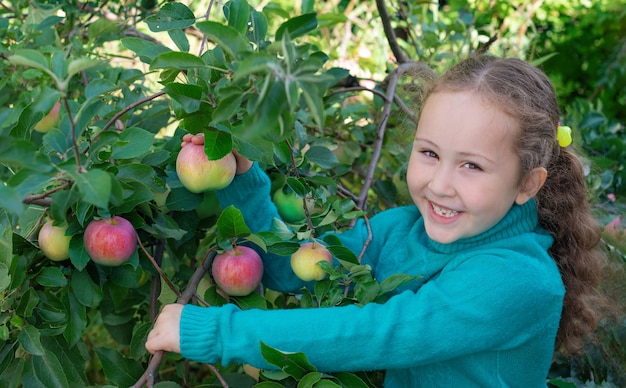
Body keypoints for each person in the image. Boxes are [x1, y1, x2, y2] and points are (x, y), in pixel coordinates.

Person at [145, 55, 605, 386]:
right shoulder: (398, 228)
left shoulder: (520, 278)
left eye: (472, 166)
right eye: (429, 153)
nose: (440, 184)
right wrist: (243, 178)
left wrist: (218, 332)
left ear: (528, 183)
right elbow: (291, 270)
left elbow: (383, 332)